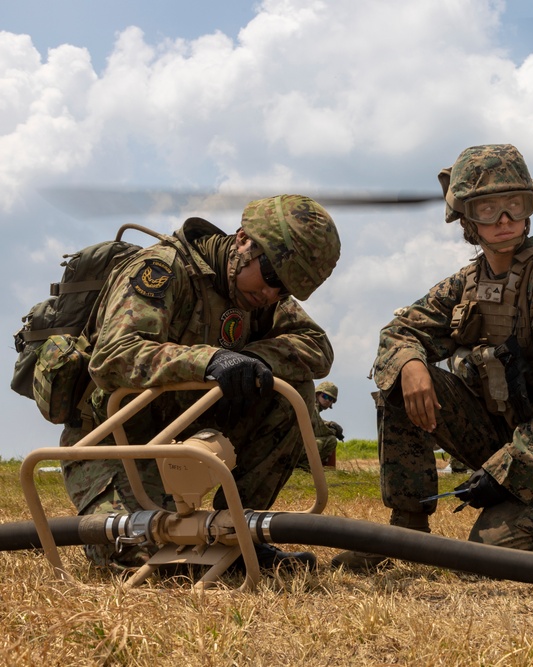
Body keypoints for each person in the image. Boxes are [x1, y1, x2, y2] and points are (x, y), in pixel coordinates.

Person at [332, 144, 533, 570]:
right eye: (488, 208)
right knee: (398, 377)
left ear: (531, 208)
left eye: (515, 204)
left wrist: (507, 471)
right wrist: (413, 365)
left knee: (490, 556)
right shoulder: (468, 282)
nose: (504, 219)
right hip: (510, 432)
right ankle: (407, 527)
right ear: (467, 220)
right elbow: (399, 333)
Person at [60, 194, 341, 572]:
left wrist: (254, 361)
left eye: (286, 289)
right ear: (243, 239)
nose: (272, 293)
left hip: (187, 430)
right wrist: (209, 360)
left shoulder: (259, 292)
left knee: (291, 388)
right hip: (117, 438)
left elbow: (317, 347)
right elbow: (113, 357)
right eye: (273, 276)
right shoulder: (162, 268)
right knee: (142, 557)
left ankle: (238, 535)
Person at [300, 380, 344, 469]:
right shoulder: (313, 407)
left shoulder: (312, 406)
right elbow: (320, 431)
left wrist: (329, 424)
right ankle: (303, 465)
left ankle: (308, 466)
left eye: (330, 399)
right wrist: (334, 431)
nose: (327, 400)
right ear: (317, 395)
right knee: (328, 441)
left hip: (296, 446)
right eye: (325, 396)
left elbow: (316, 422)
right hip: (295, 447)